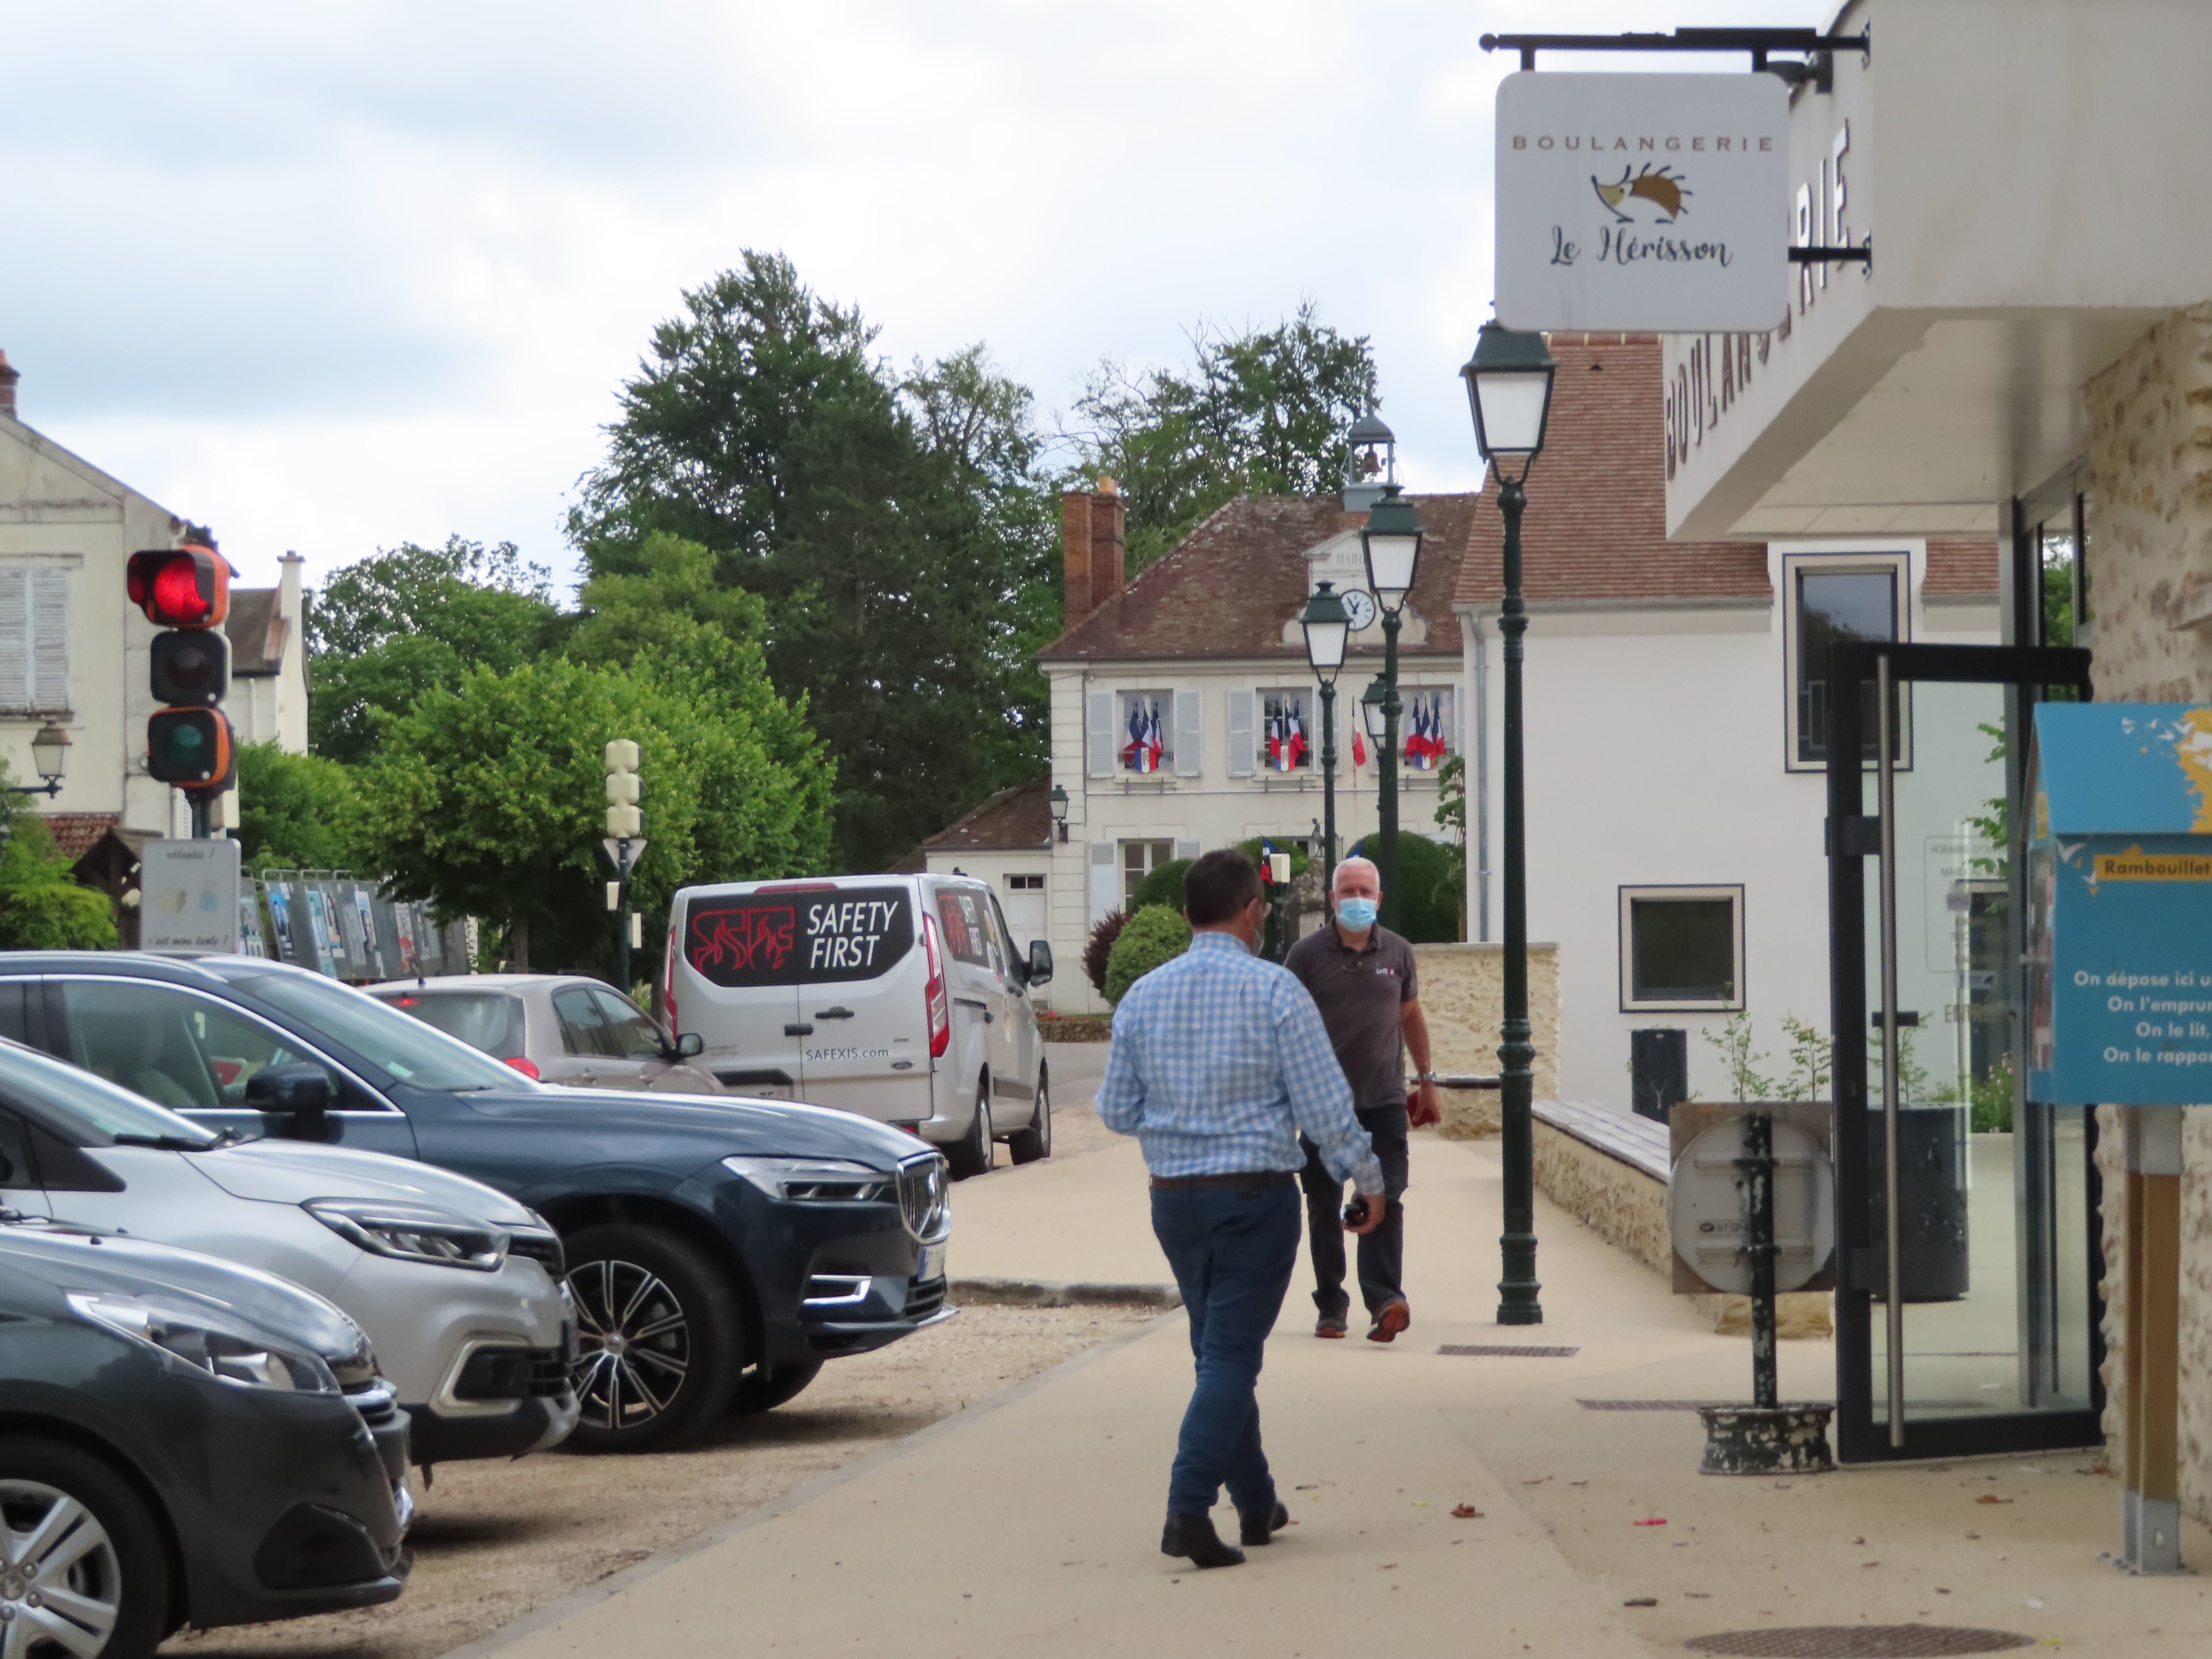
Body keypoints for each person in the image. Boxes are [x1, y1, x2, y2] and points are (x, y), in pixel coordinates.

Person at [1097, 848, 1387, 1570]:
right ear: (1251, 910)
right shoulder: (1276, 992)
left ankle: (1256, 1501)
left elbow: (1115, 1111)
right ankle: (1187, 1509)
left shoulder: (1141, 997)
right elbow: (1326, 1108)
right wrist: (1369, 1180)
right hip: (1255, 1197)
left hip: (1175, 1203)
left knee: (1215, 1350)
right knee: (1229, 1355)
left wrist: (1180, 1123)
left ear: (1189, 912)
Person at [1283, 856, 1443, 1344]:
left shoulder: (1398, 952)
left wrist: (1426, 1079)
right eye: (1347, 891)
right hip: (1323, 1108)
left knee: (1386, 1197)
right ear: (1332, 900)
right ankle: (1331, 1304)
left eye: (1365, 891)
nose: (1356, 899)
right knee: (1323, 1204)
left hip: (1384, 1102)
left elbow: (1410, 1016)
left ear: (1379, 899)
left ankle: (1385, 1301)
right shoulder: (1305, 956)